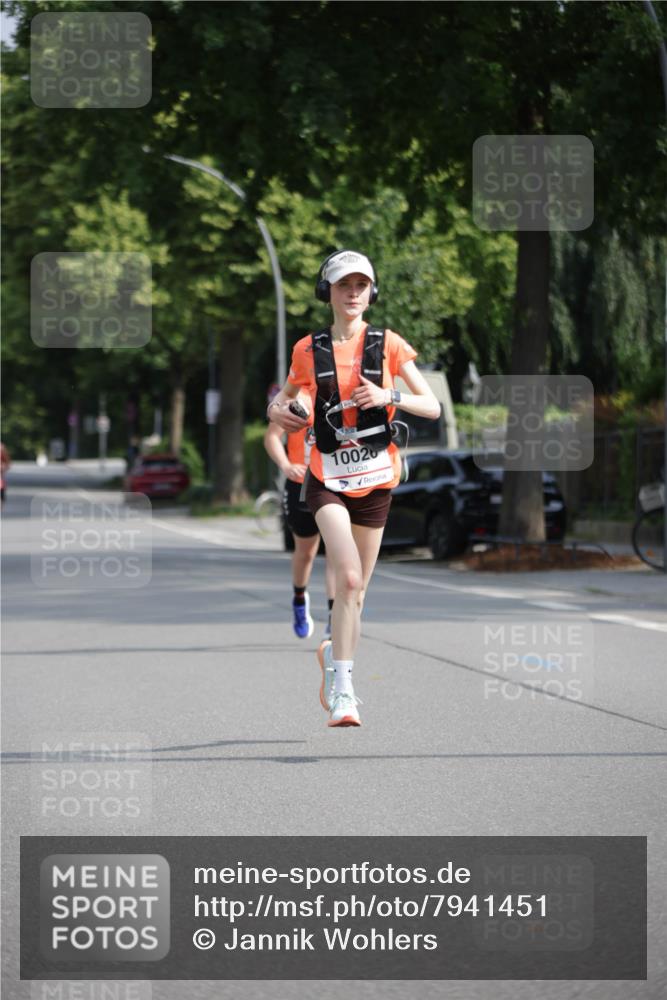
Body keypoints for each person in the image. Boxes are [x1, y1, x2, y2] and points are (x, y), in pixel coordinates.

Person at [267, 250, 440, 727]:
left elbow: (433, 407)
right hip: (327, 479)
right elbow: (285, 401)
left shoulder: (388, 345)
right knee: (346, 578)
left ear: (372, 293)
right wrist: (278, 413)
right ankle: (344, 691)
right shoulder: (308, 348)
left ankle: (332, 662)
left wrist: (390, 396)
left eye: (361, 286)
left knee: (358, 593)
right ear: (328, 292)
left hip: (376, 477)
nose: (353, 294)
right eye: (344, 285)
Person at [263, 408, 336, 640]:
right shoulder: (296, 397)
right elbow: (272, 436)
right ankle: (299, 599)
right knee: (306, 553)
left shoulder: (344, 389)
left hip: (334, 480)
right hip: (301, 483)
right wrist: (286, 466)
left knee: (337, 550)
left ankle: (336, 616)